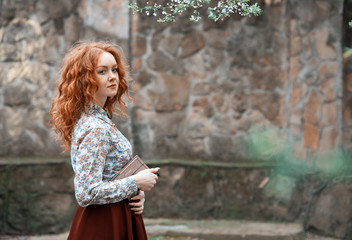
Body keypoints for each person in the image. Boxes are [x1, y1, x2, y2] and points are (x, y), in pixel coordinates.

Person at [50, 41, 159, 240]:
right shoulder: (95, 127)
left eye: (114, 70)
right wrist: (135, 181)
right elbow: (87, 192)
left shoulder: (99, 120)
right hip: (103, 223)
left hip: (116, 215)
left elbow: (109, 177)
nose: (112, 77)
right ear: (84, 79)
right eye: (102, 71)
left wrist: (135, 192)